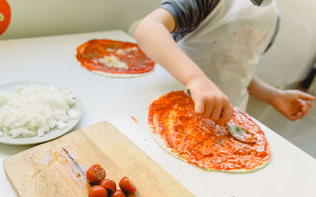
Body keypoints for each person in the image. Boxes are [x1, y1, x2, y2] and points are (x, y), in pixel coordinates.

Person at [134, 0, 314, 125]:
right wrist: (195, 79)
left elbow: (236, 71)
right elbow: (148, 28)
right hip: (170, 109)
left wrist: (274, 96)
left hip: (224, 120)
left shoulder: (274, 19)